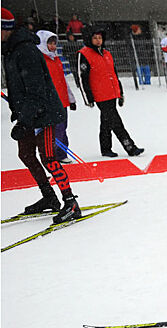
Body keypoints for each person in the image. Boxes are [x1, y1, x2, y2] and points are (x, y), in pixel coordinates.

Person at [3, 8, 81, 223]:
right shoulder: (10, 49)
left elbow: (37, 90)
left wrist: (25, 118)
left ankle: (71, 202)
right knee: (26, 154)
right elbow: (20, 85)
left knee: (48, 157)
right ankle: (49, 198)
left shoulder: (25, 50)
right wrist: (17, 109)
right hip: (28, 111)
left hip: (43, 112)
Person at [78, 26, 144, 157]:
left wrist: (120, 93)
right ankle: (130, 147)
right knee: (116, 123)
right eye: (95, 38)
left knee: (106, 123)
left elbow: (114, 74)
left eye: (100, 38)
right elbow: (82, 77)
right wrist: (88, 98)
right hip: (100, 95)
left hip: (111, 93)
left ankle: (105, 148)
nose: (98, 40)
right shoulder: (84, 54)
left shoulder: (107, 54)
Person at [36, 30, 77, 163]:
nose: (53, 47)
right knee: (54, 130)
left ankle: (61, 153)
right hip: (50, 102)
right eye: (50, 44)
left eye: (54, 44)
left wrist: (71, 99)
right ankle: (52, 155)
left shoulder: (56, 59)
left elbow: (63, 81)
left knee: (62, 128)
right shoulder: (40, 60)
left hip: (62, 101)